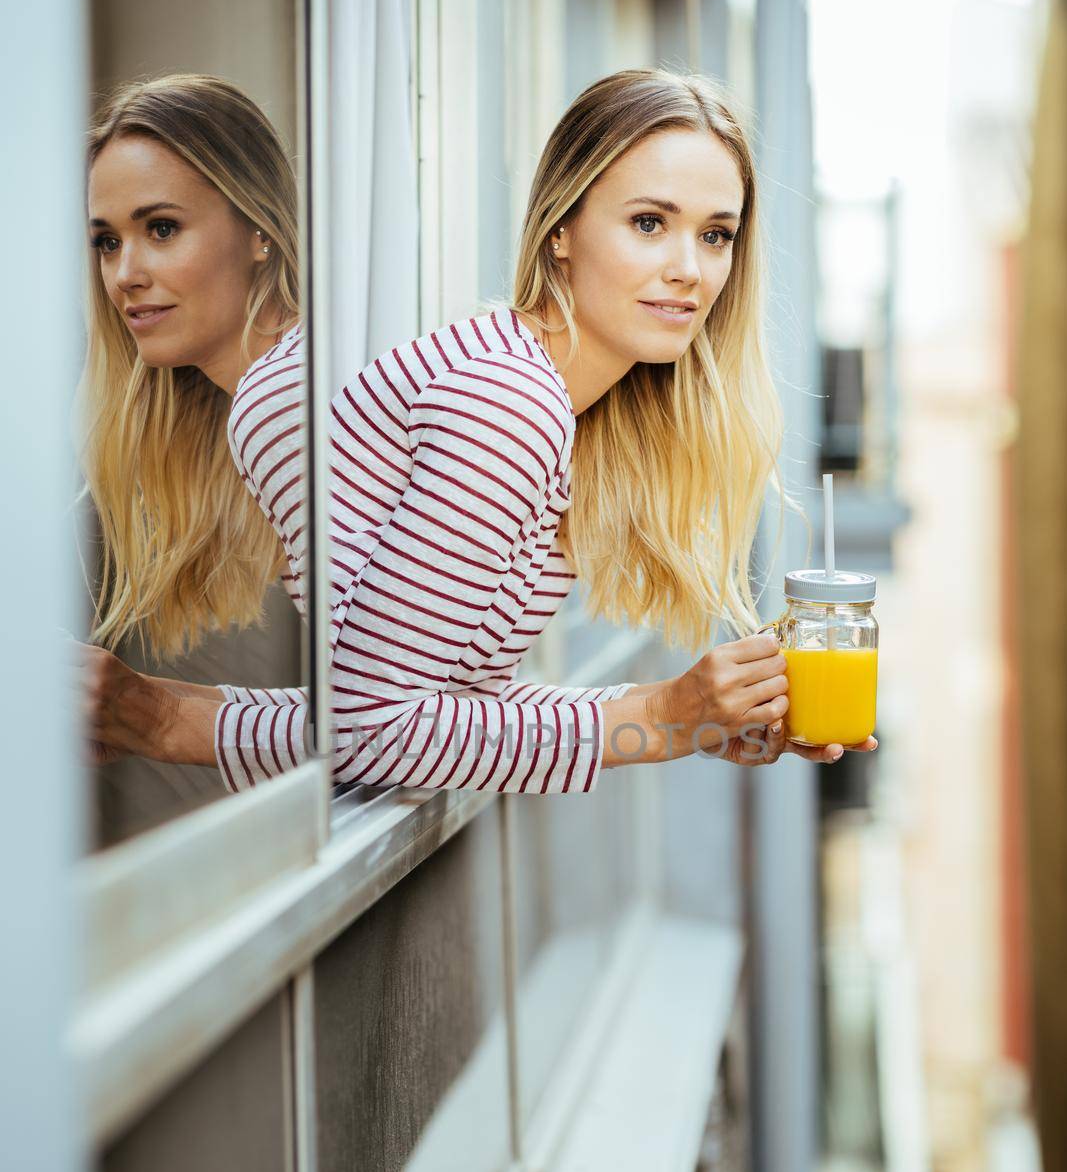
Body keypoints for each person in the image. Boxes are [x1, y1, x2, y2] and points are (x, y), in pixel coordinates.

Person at [80, 67, 876, 793]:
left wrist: (693, 720)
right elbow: (366, 732)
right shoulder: (507, 401)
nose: (688, 269)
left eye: (714, 234)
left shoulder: (558, 405)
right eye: (646, 222)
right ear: (559, 231)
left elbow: (445, 709)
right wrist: (664, 717)